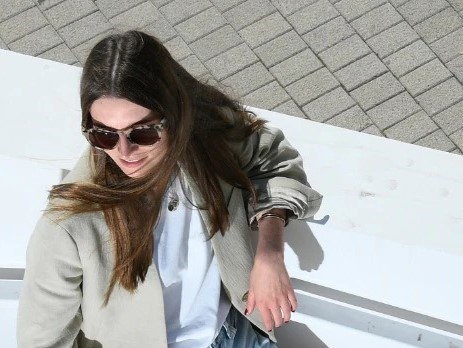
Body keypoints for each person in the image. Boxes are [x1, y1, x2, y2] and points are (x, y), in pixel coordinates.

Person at [17, 31, 322, 347]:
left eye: (143, 133)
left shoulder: (208, 138)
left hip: (235, 333)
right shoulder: (69, 222)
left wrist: (270, 251)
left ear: (174, 114)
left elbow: (273, 158)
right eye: (104, 136)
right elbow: (41, 341)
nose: (124, 151)